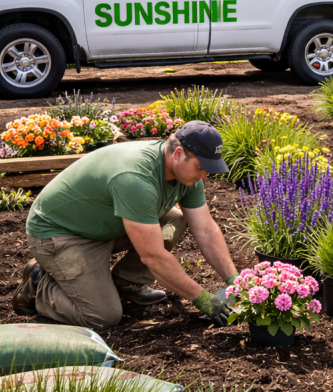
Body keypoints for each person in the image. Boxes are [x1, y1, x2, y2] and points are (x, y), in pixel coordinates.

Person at [12, 121, 238, 330]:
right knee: (102, 316)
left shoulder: (187, 175)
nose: (205, 176)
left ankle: (128, 281)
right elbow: (153, 256)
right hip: (62, 234)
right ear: (178, 154)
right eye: (201, 167)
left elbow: (206, 230)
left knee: (175, 219)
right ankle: (39, 282)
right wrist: (202, 298)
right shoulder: (136, 177)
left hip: (104, 222)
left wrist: (235, 281)